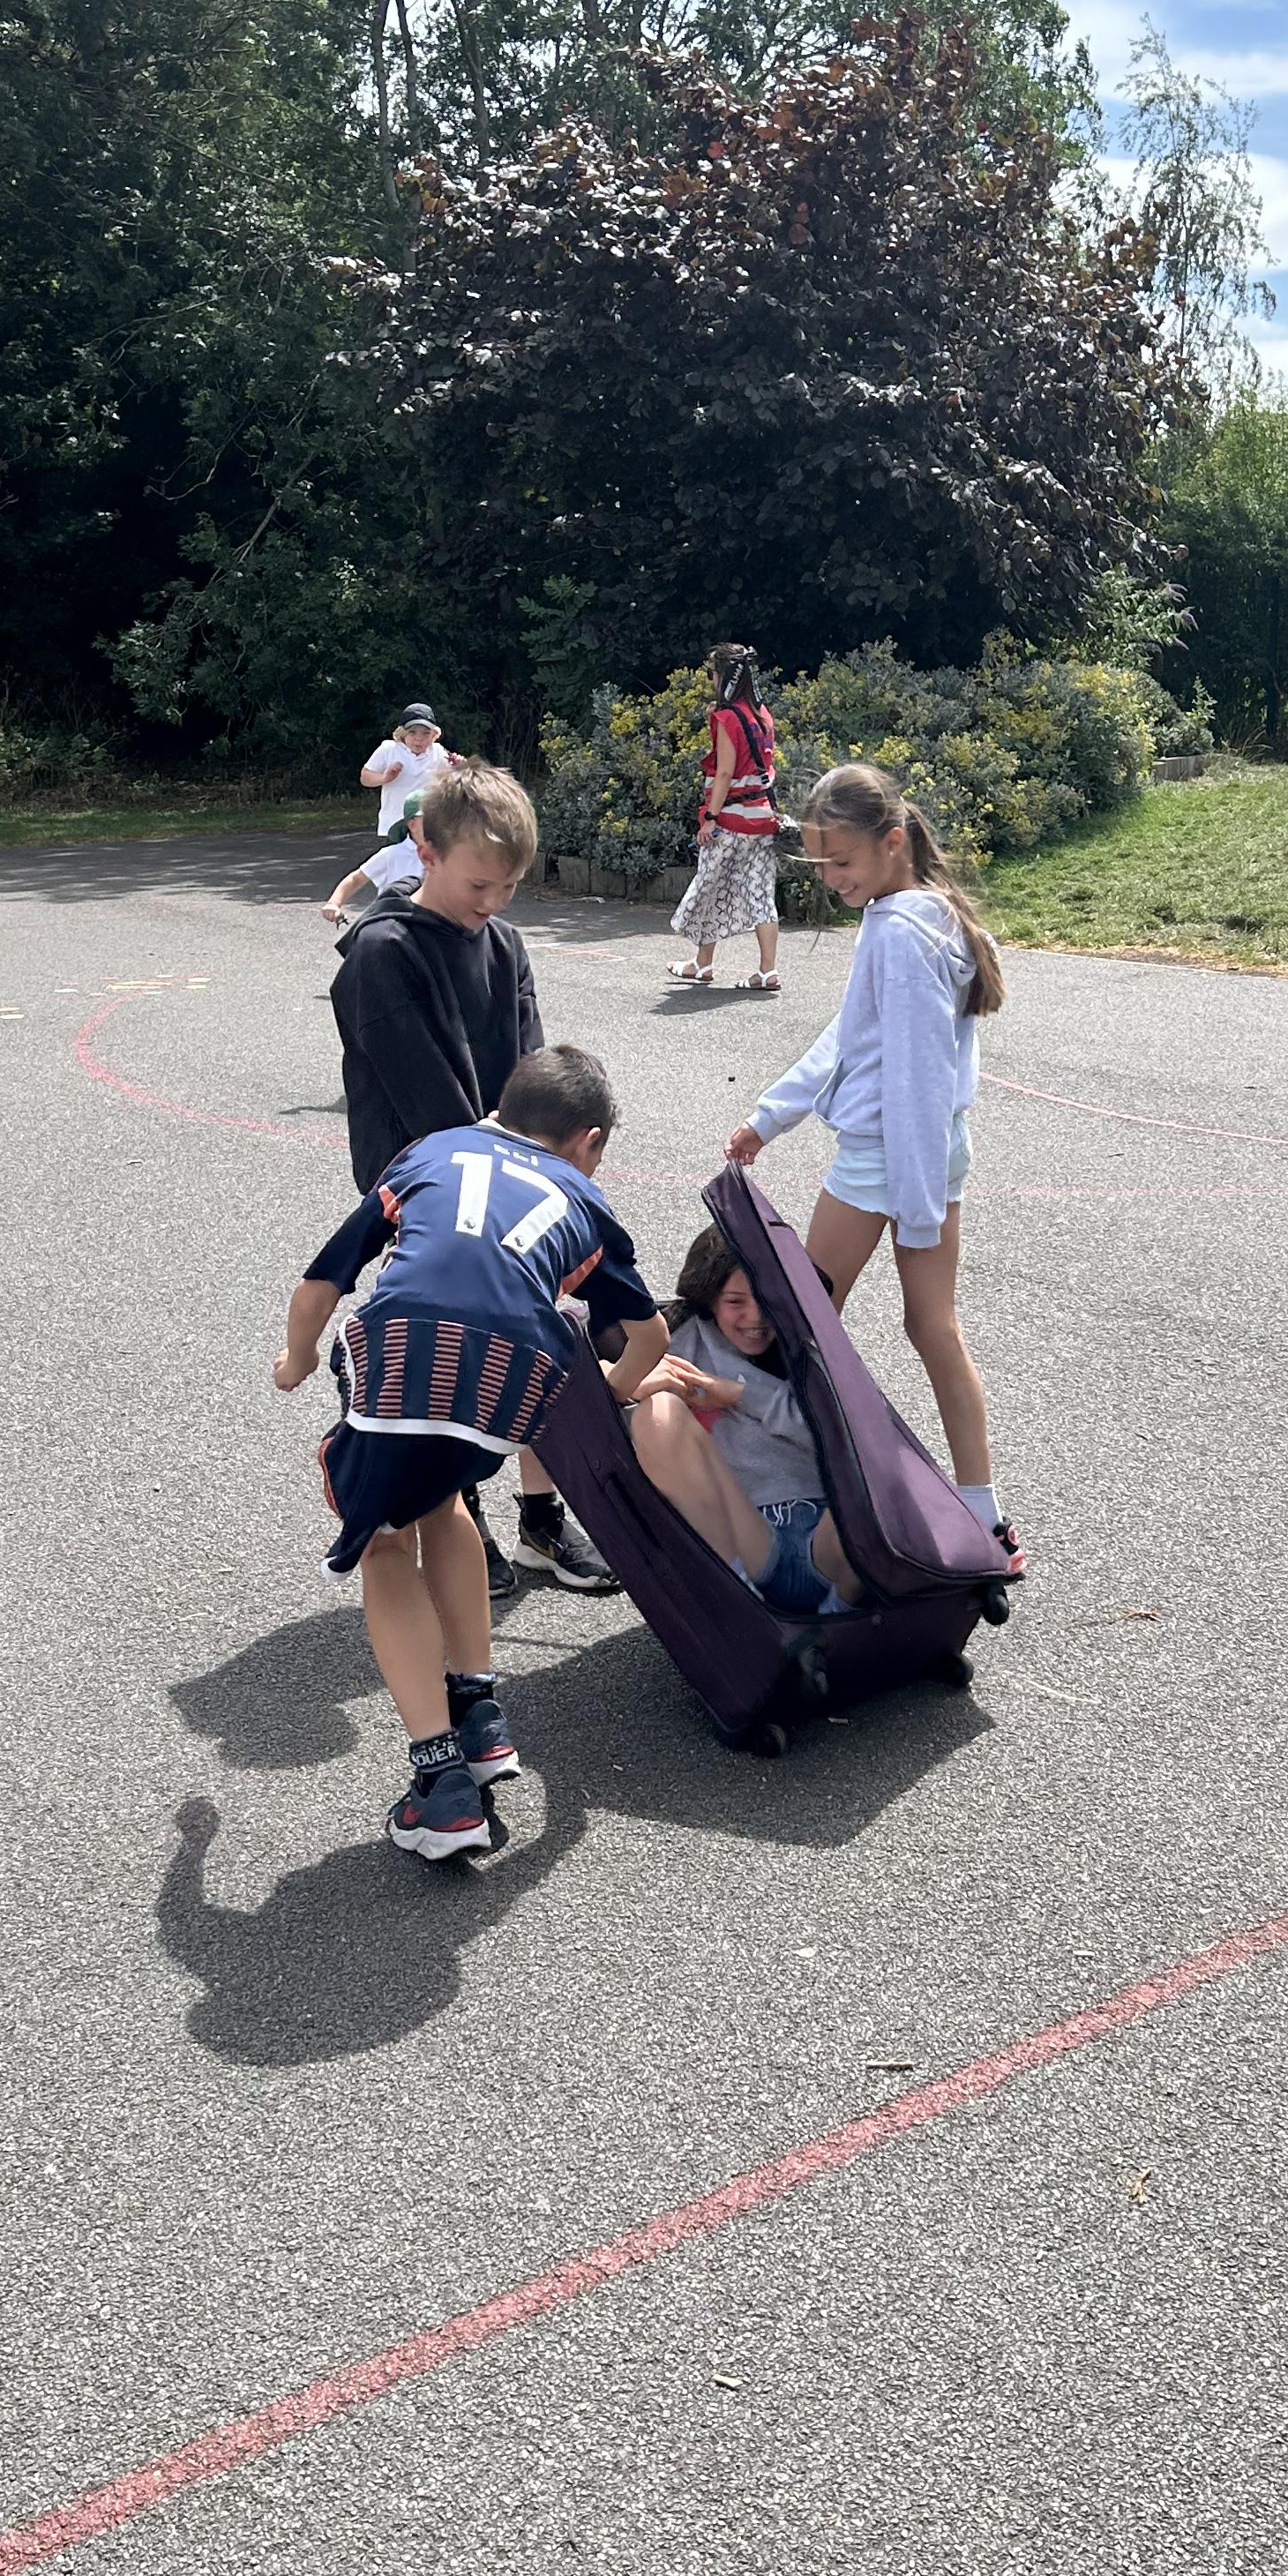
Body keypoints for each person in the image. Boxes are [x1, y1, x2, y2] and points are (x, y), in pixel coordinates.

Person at [275, 1045, 665, 1860]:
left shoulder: (432, 1152)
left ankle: (441, 1783)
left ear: (501, 1110)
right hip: (509, 1382)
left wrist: (297, 1359)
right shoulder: (584, 1200)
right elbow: (649, 1336)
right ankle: (479, 1710)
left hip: (406, 1352)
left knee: (385, 1542)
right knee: (443, 1498)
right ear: (589, 1140)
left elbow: (323, 1283)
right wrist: (614, 1389)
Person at [329, 761, 617, 1596]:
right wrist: (511, 1173)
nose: (493, 902)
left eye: (510, 886)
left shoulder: (506, 944)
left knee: (541, 1336)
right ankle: (463, 1521)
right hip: (428, 1189)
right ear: (425, 848)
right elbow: (432, 1110)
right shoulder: (382, 955)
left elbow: (532, 1079)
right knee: (449, 1358)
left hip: (514, 1178)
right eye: (479, 884)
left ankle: (541, 1522)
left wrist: (551, 1165)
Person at [724, 759, 1020, 1569]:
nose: (831, 880)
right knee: (932, 1328)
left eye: (842, 862)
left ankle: (804, 1495)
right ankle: (985, 1515)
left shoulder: (897, 932)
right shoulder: (930, 914)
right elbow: (855, 1038)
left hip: (890, 1158)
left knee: (805, 1324)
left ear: (893, 843)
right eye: (821, 865)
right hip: (927, 1152)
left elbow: (918, 1079)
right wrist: (772, 1114)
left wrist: (913, 1207)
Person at [630, 1224, 860, 1616]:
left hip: (829, 1540)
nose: (756, 1317)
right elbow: (580, 1361)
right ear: (709, 1298)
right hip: (748, 1537)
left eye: (767, 1300)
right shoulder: (678, 1336)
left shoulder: (805, 1343)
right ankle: (743, 1602)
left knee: (876, 1467)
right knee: (658, 1411)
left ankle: (836, 1622)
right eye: (735, 1301)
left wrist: (739, 1393)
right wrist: (629, 1384)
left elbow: (850, 1440)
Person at [666, 643, 783, 993]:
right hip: (764, 820)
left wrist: (710, 818)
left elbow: (725, 772)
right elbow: (767, 768)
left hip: (732, 820)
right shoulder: (763, 716)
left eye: (712, 674)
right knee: (761, 893)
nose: (711, 680)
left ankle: (702, 964)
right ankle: (767, 971)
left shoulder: (726, 718)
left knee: (710, 887)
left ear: (725, 677)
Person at [356, 703, 453, 838]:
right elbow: (365, 777)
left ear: (433, 735)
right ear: (402, 732)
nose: (419, 739)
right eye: (412, 732)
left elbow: (457, 778)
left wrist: (461, 765)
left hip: (427, 828)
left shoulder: (438, 751)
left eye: (425, 733)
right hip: (393, 826)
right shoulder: (389, 749)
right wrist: (385, 778)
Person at [321, 808, 424, 930]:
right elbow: (356, 879)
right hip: (392, 927)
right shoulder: (392, 854)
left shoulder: (443, 854)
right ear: (412, 825)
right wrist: (334, 903)